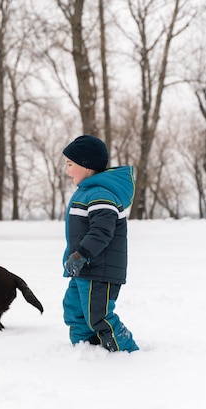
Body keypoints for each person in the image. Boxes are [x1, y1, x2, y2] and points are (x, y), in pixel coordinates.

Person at [61, 135, 139, 352]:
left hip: (98, 270)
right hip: (84, 268)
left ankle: (124, 351)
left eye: (70, 165)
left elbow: (102, 231)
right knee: (74, 310)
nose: (67, 171)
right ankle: (86, 348)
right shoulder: (87, 193)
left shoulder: (101, 195)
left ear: (86, 166)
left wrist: (81, 254)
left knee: (98, 315)